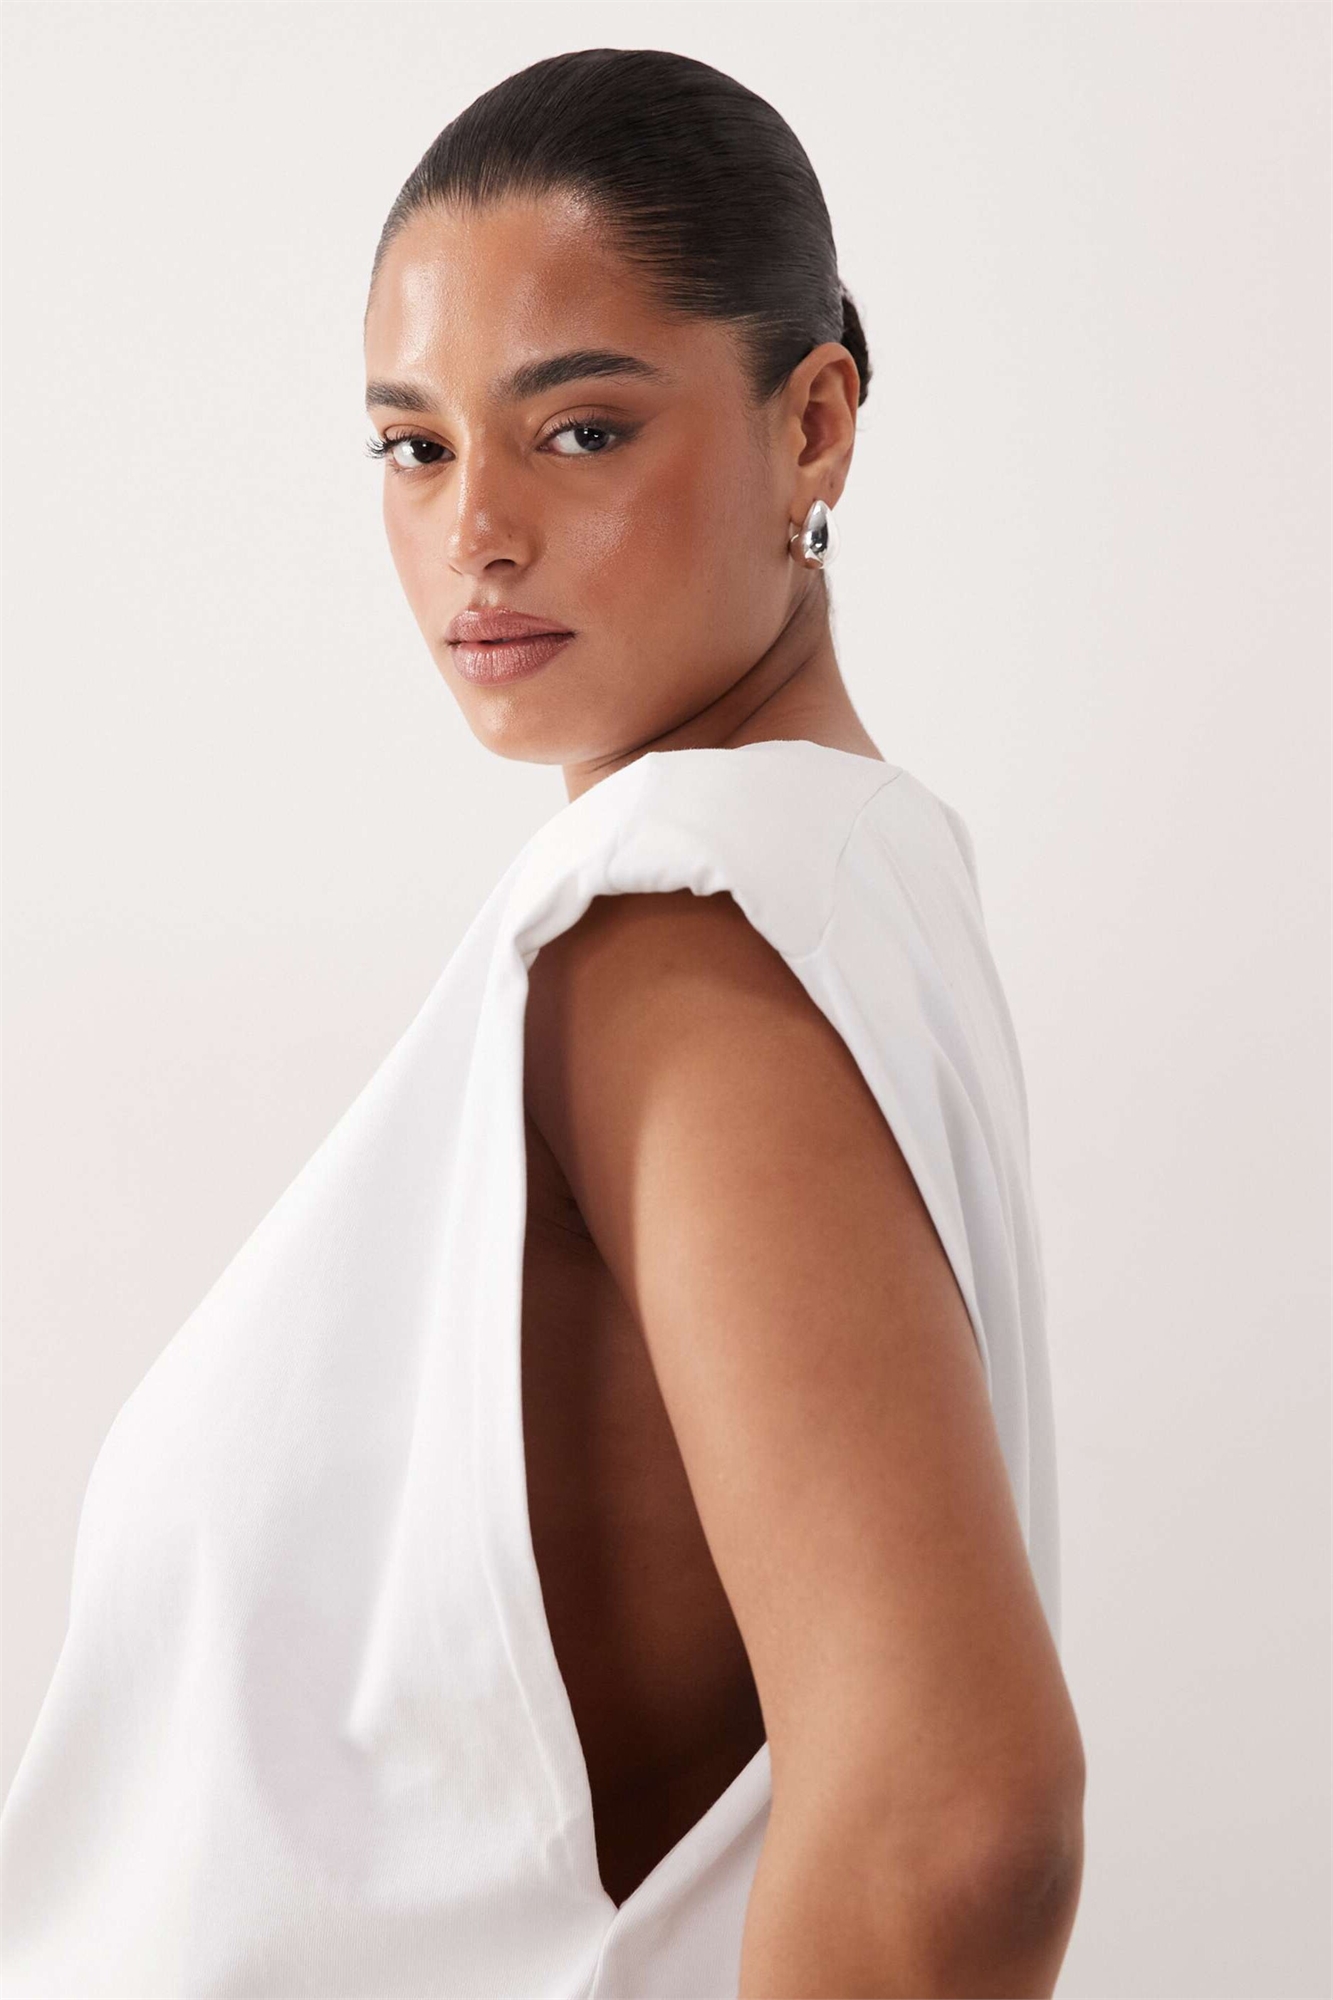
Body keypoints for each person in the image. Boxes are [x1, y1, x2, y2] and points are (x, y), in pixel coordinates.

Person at [0, 47, 1085, 2000]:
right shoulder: (836, 884)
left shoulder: (678, 912)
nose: (475, 531)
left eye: (578, 430)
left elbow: (955, 1831)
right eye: (411, 447)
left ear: (813, 422)